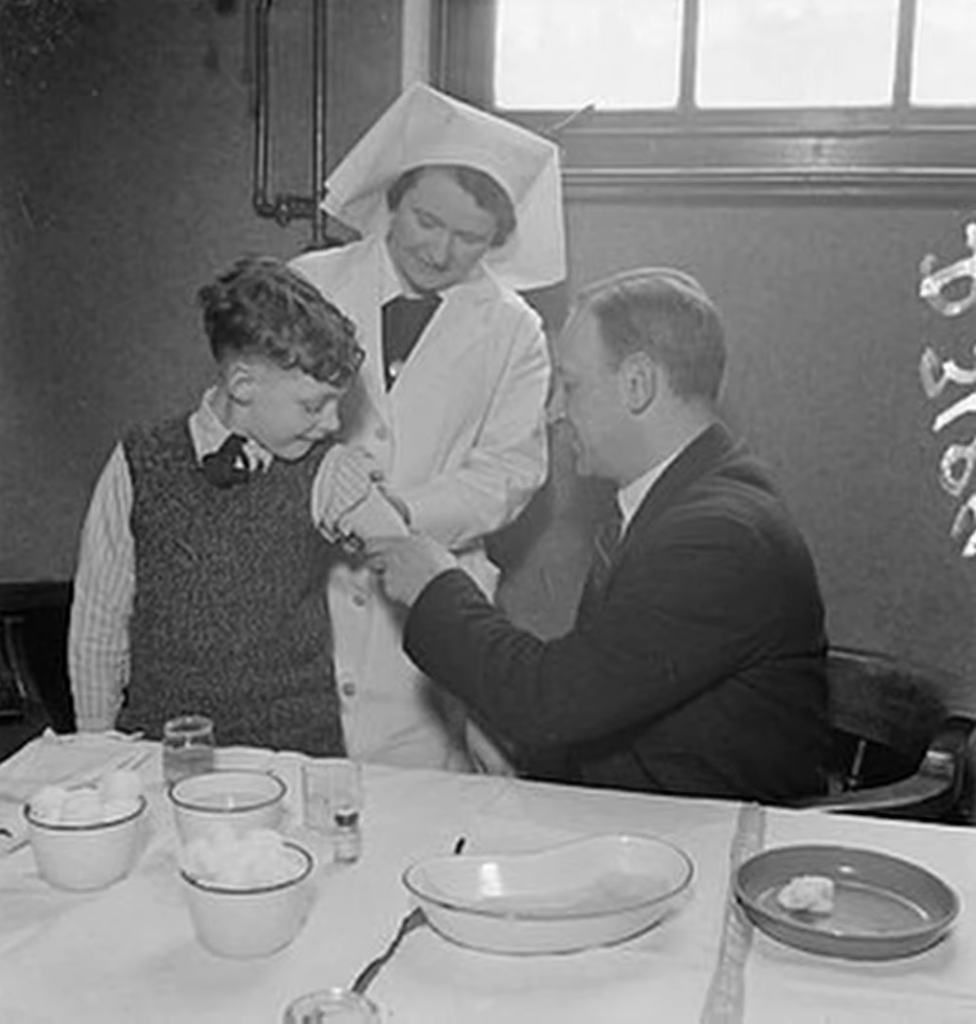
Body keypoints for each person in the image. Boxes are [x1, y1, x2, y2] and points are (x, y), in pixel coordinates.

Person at [366, 268, 830, 803]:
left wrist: (435, 587)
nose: (557, 414)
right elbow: (602, 688)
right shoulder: (676, 501)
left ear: (638, 384)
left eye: (571, 385)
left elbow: (554, 702)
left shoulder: (718, 538)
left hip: (712, 842)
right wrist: (512, 736)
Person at [290, 82, 566, 770]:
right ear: (394, 196)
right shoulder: (308, 283)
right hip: (304, 587)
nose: (440, 251)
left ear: (500, 239)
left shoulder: (513, 329)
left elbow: (512, 471)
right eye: (424, 220)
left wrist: (402, 510)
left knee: (418, 803)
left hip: (427, 602)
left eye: (469, 236)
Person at [68, 255, 367, 756]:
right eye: (315, 405)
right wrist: (98, 749)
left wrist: (387, 518)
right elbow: (99, 620)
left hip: (295, 755)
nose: (334, 423)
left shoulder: (328, 469)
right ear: (243, 386)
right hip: (168, 753)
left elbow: (399, 548)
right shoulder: (140, 461)